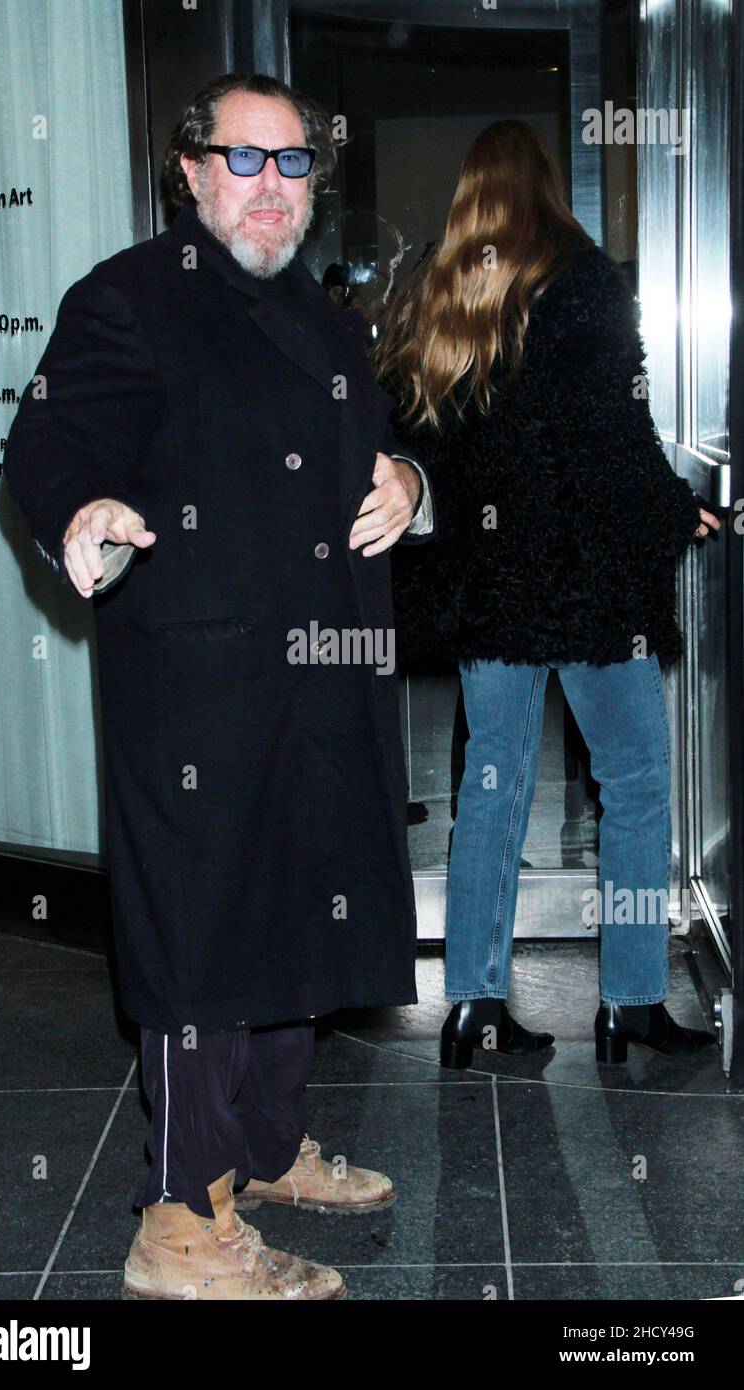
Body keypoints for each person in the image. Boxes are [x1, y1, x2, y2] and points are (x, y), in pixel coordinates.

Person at [3, 72, 435, 1301]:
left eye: (293, 163)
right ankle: (182, 1222)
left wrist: (405, 476)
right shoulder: (128, 299)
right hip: (203, 688)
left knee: (298, 914)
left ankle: (263, 1144)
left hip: (322, 673)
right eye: (243, 160)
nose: (270, 186)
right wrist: (78, 511)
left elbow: (387, 441)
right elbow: (50, 439)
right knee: (204, 939)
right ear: (187, 171)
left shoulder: (327, 310)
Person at [375, 120, 720, 1070]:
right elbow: (610, 437)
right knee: (637, 788)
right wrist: (674, 509)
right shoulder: (581, 282)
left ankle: (474, 1007)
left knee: (490, 792)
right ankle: (630, 1005)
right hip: (585, 589)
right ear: (546, 185)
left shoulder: (443, 296)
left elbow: (428, 442)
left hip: (494, 592)